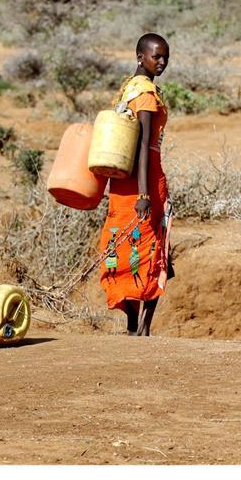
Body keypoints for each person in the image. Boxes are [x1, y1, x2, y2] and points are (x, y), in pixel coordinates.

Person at [96, 33, 173, 336]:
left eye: (166, 56)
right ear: (141, 56)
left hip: (121, 182)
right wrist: (144, 193)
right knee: (154, 249)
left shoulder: (127, 89)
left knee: (122, 247)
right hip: (145, 180)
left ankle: (133, 325)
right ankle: (142, 327)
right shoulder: (146, 95)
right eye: (157, 56)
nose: (163, 62)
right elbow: (143, 146)